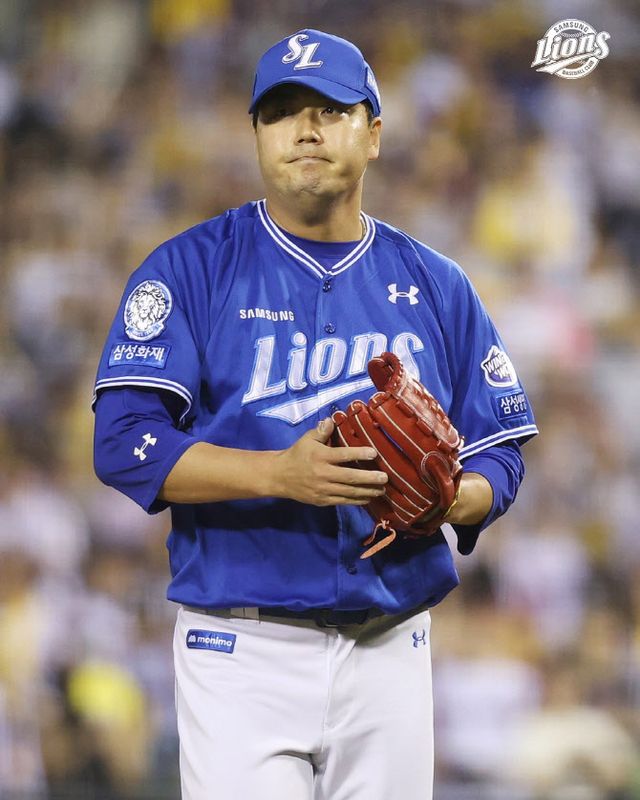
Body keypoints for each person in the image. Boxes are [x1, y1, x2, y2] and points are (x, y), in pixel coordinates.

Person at [93, 28, 538, 800]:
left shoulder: (437, 283)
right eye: (281, 112)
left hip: (393, 647)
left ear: (374, 134)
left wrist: (450, 499)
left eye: (330, 110)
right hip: (241, 650)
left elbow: (501, 451)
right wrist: (280, 474)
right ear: (257, 136)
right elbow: (124, 442)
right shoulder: (190, 270)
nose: (305, 129)